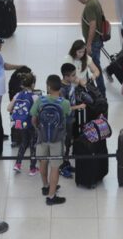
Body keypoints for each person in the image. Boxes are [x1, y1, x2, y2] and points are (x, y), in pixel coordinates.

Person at [30, 75, 75, 206]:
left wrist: (38, 129)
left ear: (48, 87)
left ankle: (46, 186)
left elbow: (33, 118)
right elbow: (67, 116)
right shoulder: (64, 103)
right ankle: (51, 196)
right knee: (55, 167)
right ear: (60, 88)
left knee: (43, 162)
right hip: (57, 139)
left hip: (42, 137)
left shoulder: (40, 100)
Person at [73, 0, 107, 96]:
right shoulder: (95, 1)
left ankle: (98, 92)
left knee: (94, 68)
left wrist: (88, 44)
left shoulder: (89, 6)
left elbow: (93, 26)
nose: (78, 0)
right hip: (96, 41)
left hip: (93, 43)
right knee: (95, 66)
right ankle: (98, 91)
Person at [58, 63, 88, 178]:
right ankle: (61, 167)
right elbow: (64, 108)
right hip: (65, 121)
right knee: (64, 144)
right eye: (73, 75)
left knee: (68, 143)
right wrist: (79, 107)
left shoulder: (69, 84)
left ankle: (66, 163)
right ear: (66, 77)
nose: (75, 78)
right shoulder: (61, 90)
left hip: (71, 119)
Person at [7, 72, 38, 176]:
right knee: (33, 145)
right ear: (33, 84)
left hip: (21, 124)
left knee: (24, 143)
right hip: (31, 125)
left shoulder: (17, 95)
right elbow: (39, 111)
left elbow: (9, 108)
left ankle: (17, 164)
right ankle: (32, 169)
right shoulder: (34, 97)